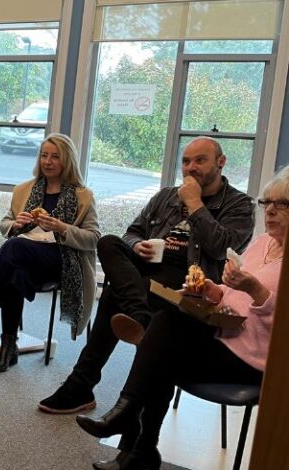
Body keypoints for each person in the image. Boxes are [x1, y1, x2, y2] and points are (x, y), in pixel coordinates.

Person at [75, 167, 288, 470]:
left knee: (159, 347)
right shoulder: (263, 242)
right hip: (223, 334)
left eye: (283, 204)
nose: (271, 211)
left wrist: (253, 288)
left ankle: (133, 430)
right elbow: (231, 293)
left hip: (252, 360)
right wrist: (213, 290)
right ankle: (136, 436)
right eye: (268, 202)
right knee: (166, 325)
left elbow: (281, 327)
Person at [38, 136, 254, 415]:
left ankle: (83, 384)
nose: (191, 168)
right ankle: (138, 314)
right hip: (147, 271)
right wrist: (137, 245)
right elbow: (133, 231)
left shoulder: (239, 205)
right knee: (110, 242)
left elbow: (221, 247)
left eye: (200, 161)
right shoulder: (166, 196)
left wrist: (195, 204)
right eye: (186, 162)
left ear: (220, 163)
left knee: (115, 295)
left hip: (190, 283)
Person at [0, 133, 99, 372]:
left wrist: (62, 228)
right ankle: (8, 348)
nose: (47, 162)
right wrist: (16, 225)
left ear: (67, 161)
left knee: (14, 246)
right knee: (14, 275)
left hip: (61, 259)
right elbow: (5, 224)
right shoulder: (24, 190)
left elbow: (93, 239)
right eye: (44, 156)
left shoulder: (83, 196)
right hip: (24, 256)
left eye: (55, 157)